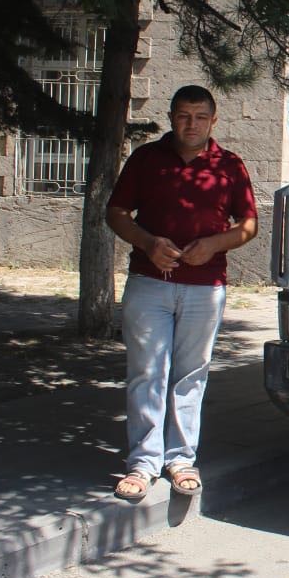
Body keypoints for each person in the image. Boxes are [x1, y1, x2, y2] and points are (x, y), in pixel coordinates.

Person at [106, 85, 258, 502]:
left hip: (204, 288)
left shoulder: (229, 165)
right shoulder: (146, 159)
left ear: (213, 120)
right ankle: (142, 462)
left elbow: (249, 224)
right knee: (146, 372)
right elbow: (116, 212)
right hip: (149, 283)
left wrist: (215, 243)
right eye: (183, 116)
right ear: (172, 117)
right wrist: (147, 242)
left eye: (200, 116)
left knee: (190, 374)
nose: (191, 124)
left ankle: (180, 459)